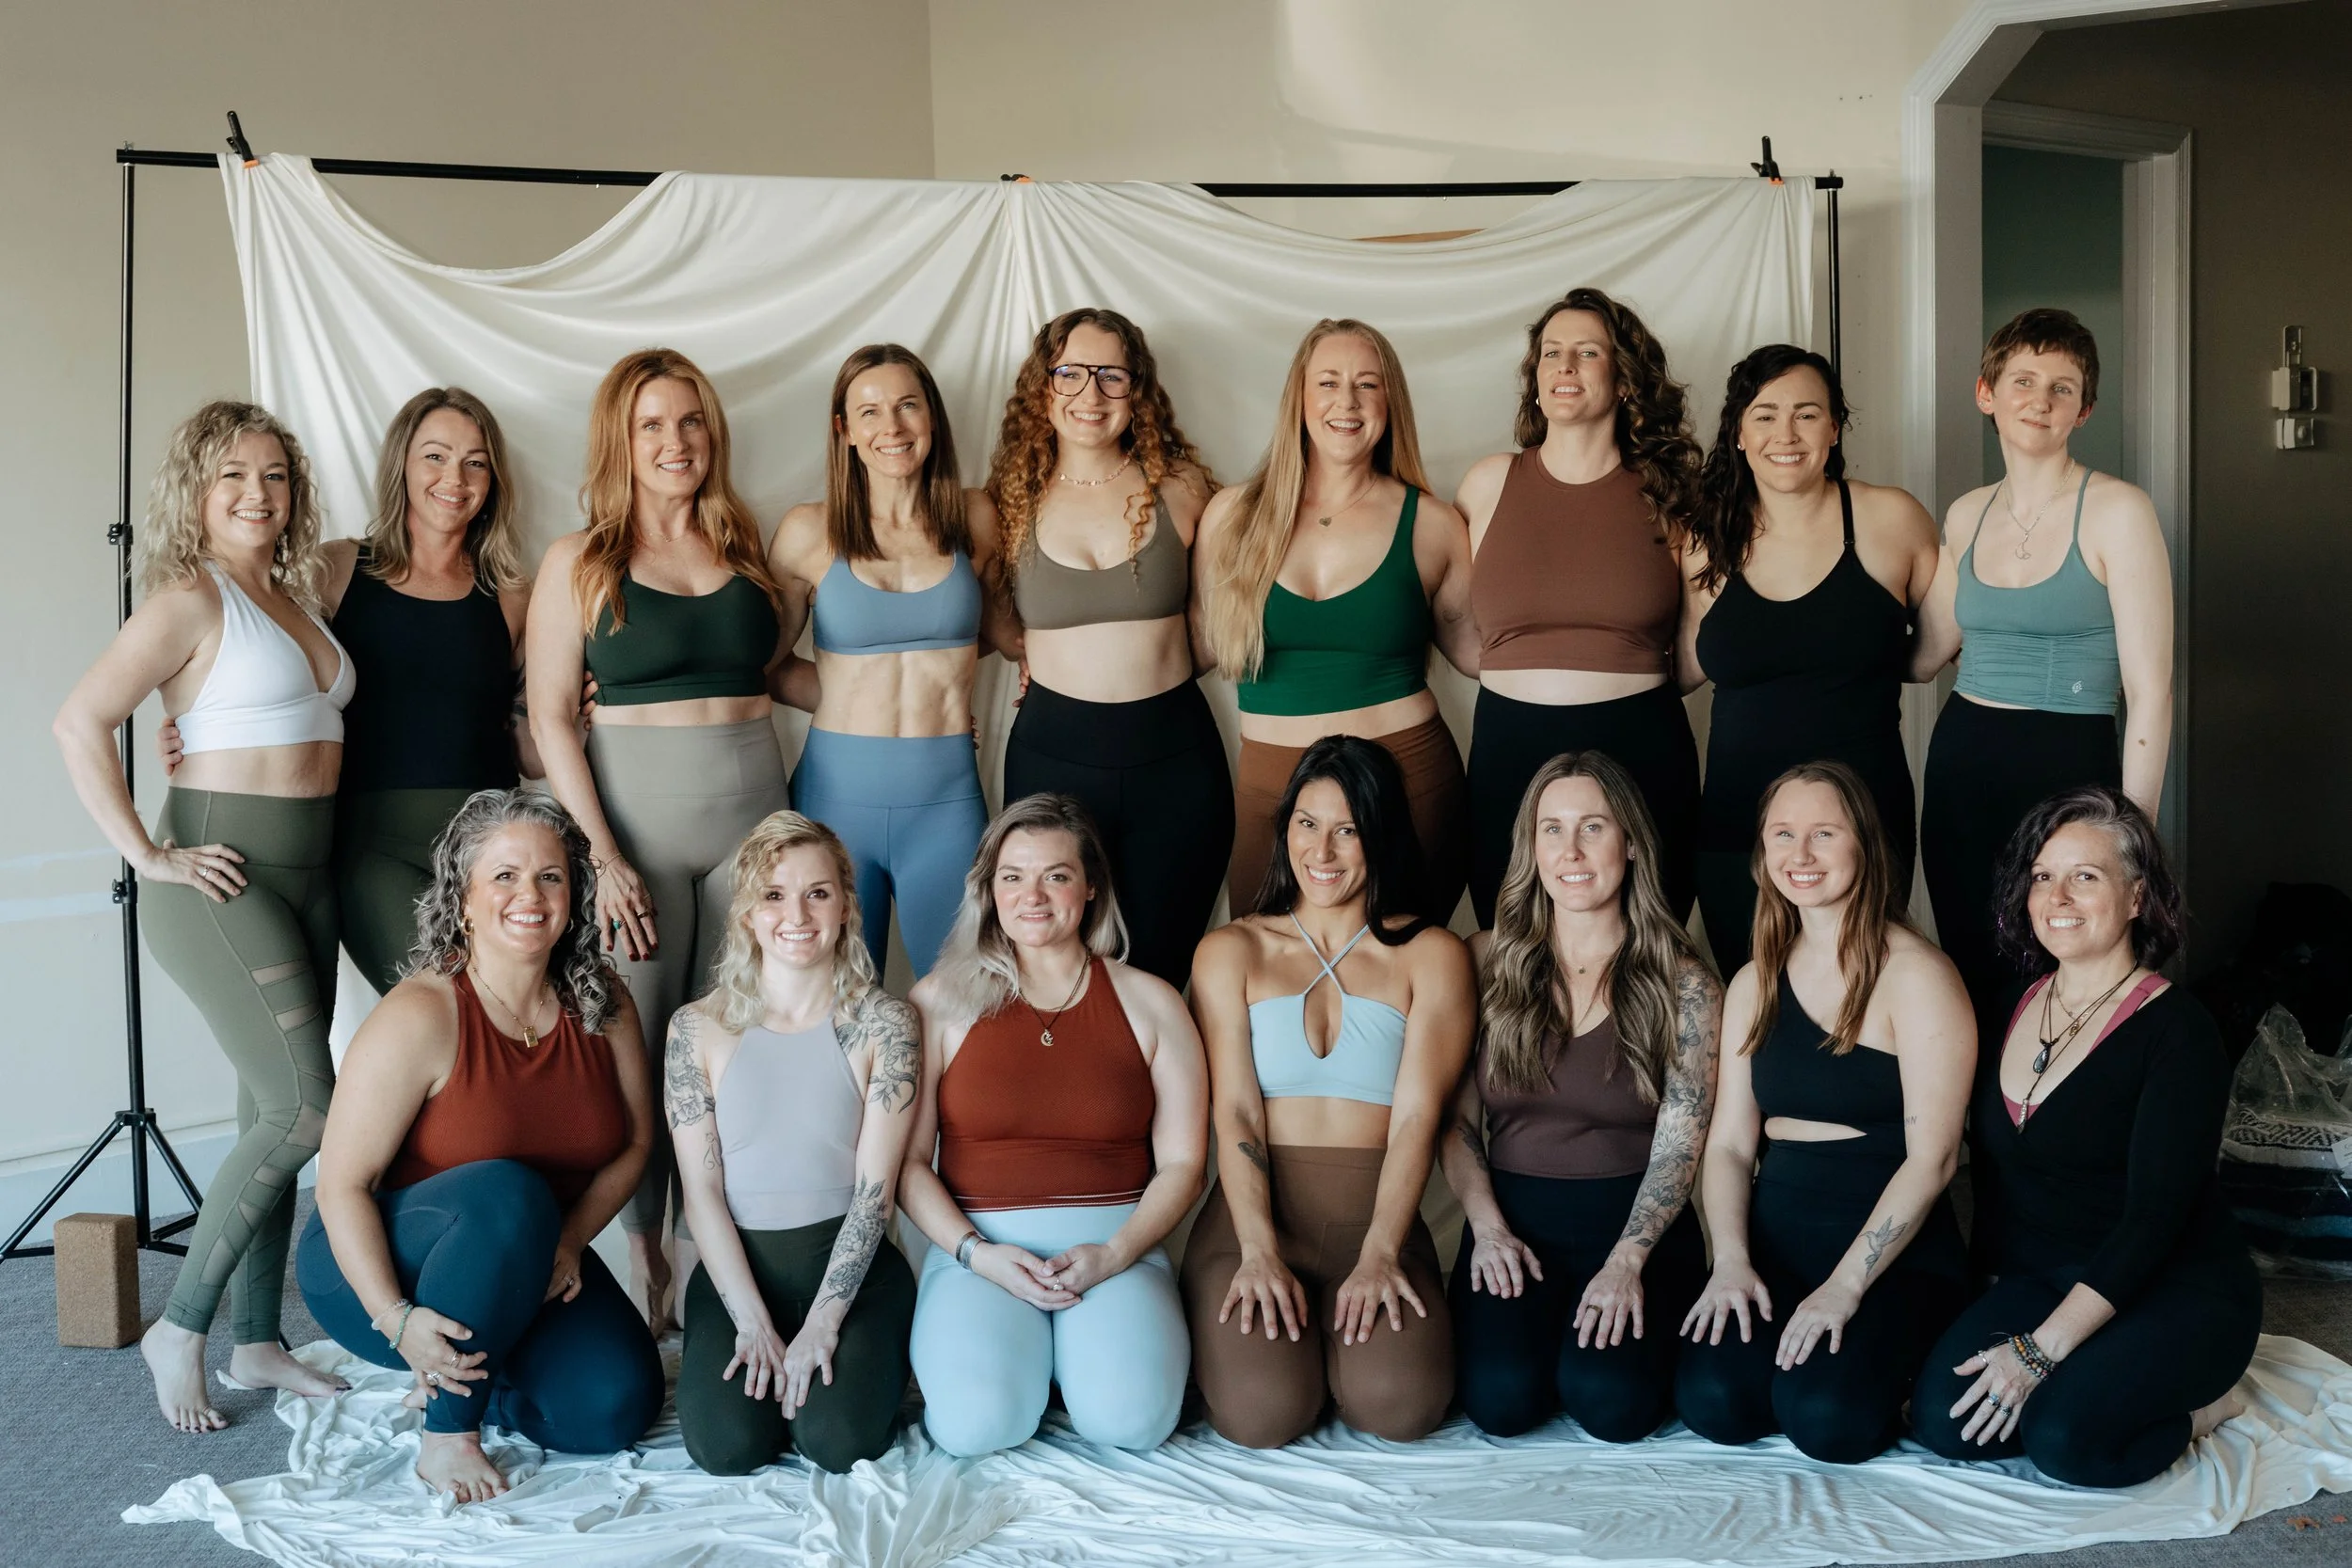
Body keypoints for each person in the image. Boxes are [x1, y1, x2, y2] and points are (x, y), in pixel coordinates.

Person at [55, 401, 354, 1432]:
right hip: (224, 875)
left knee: (261, 1107)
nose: (257, 494)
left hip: (312, 869)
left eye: (275, 475)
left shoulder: (308, 589)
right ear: (196, 487)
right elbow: (79, 718)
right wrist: (146, 850)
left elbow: (389, 548)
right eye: (233, 475)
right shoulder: (188, 598)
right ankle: (179, 1325)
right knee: (304, 1102)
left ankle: (258, 1339)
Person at [297, 789, 663, 1502]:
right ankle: (447, 1431)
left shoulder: (602, 999)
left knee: (614, 1408)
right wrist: (395, 1318)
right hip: (377, 1268)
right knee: (507, 1186)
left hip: (528, 1255)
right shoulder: (423, 1012)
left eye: (551, 876)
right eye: (504, 875)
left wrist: (570, 1239)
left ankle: (478, 1379)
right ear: (462, 897)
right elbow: (340, 1185)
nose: (530, 894)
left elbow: (636, 1141)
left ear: (573, 894)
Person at [528, 347, 791, 1332]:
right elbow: (554, 716)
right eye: (651, 426)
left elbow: (785, 672)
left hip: (753, 828)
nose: (674, 441)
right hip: (633, 833)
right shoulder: (580, 560)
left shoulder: (746, 543)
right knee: (637, 1056)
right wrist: (600, 852)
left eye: (689, 422)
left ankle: (714, 1246)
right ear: (620, 443)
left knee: (739, 1049)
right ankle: (646, 1257)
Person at [1913, 786, 2256, 1486]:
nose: (2057, 895)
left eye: (2086, 875)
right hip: (2049, 1277)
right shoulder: (2012, 1004)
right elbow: (2002, 1185)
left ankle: (2208, 1406)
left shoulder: (2178, 1031)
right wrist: (1983, 1304)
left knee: (2066, 1442)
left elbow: (2155, 1219)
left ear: (2137, 898)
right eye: (2043, 875)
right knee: (1943, 1420)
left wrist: (2037, 1353)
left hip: (2174, 1284)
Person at [159, 388, 537, 994]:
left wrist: (582, 715)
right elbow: (261, 661)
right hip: (371, 845)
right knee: (447, 1011)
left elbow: (528, 751)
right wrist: (190, 720)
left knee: (503, 1022)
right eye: (434, 457)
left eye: (475, 462)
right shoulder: (336, 570)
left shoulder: (515, 596)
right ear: (401, 468)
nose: (455, 478)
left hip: (490, 847)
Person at [1676, 762, 1974, 1464]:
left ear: (1864, 844)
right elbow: (1726, 1149)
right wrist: (1730, 1260)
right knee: (1716, 1403)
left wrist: (1845, 1286)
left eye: (1822, 833)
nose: (1799, 855)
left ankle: (1906, 1357)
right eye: (1782, 834)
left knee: (1827, 1420)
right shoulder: (1753, 981)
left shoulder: (1919, 975)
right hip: (1777, 1236)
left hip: (1888, 1249)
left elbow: (1934, 1158)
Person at [1182, 736, 1474, 1447]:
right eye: (1307, 823)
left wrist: (1380, 1250)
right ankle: (1278, 1344)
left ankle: (1346, 1342)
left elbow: (1416, 1118)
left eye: (1349, 829)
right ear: (1285, 830)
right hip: (1252, 1226)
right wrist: (1257, 1249)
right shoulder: (1233, 949)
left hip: (1378, 1226)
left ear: (1382, 835)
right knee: (1263, 1414)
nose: (1325, 850)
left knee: (1400, 1407)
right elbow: (1237, 1110)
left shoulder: (1432, 956)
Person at [899, 795, 1208, 1455]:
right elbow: (908, 1164)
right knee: (975, 1426)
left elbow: (1185, 1163)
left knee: (1133, 1422)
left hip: (1115, 1253)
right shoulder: (936, 1002)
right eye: (1012, 876)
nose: (1032, 895)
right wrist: (975, 1253)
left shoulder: (1152, 1001)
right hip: (980, 1254)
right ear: (988, 889)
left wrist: (1117, 1254)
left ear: (1090, 886)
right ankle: (1026, 1359)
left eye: (1056, 875)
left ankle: (1076, 1358)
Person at [1442, 751, 1722, 1441]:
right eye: (1552, 828)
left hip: (1635, 1227)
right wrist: (1486, 1227)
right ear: (1530, 846)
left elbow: (1681, 1147)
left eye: (1593, 827)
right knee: (1502, 1402)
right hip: (1513, 1230)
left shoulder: (1685, 983)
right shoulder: (1486, 961)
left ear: (1629, 842)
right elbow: (1456, 1120)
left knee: (1612, 1404)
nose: (1571, 850)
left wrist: (1628, 1260)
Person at [1914, 309, 2173, 1020]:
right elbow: (1926, 654)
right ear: (1986, 393)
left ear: (2083, 409)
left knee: (2063, 964)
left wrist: (2132, 837)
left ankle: (2052, 1122)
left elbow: (2150, 693)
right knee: (1969, 960)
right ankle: (1979, 1125)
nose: (2040, 399)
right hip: (1964, 761)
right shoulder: (1965, 513)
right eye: (2023, 380)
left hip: (2069, 763)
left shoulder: (2119, 510)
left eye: (2063, 388)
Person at [665, 812, 921, 1474]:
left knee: (836, 1441)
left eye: (818, 891)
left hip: (853, 1276)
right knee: (726, 1447)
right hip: (738, 1276)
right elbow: (703, 1191)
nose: (797, 914)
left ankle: (858, 1367)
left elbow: (876, 1195)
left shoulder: (885, 1023)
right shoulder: (695, 1028)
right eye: (774, 895)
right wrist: (752, 1321)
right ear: (747, 912)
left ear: (845, 906)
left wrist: (823, 1324)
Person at [1199, 319, 1478, 924]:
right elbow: (1194, 641)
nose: (1345, 402)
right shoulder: (1231, 517)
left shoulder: (1432, 523)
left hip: (1408, 781)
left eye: (1366, 385)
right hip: (1270, 786)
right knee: (1266, 981)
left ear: (1390, 403)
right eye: (1327, 382)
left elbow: (1484, 653)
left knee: (1400, 981)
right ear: (1298, 399)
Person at [992, 308, 1228, 988]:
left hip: (1174, 762)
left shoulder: (1182, 490)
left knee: (1160, 972)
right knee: (1055, 969)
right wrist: (1026, 647)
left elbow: (1211, 631)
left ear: (1139, 390)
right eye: (1070, 373)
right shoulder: (1008, 500)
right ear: (1043, 387)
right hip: (1052, 756)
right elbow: (981, 616)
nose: (1090, 395)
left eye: (1111, 376)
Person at [1685, 348, 1938, 973]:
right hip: (1735, 828)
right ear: (1739, 434)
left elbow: (1937, 652)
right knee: (1754, 1001)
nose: (1786, 434)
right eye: (1765, 416)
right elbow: (1682, 666)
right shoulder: (1703, 537)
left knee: (1862, 996)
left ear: (1834, 427)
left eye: (1806, 414)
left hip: (1863, 819)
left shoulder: (1891, 518)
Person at [1456, 288, 1705, 927]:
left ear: (1623, 379)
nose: (1564, 366)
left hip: (1639, 743)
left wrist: (1618, 677)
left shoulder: (1670, 494)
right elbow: (1454, 620)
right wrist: (1521, 674)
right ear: (1535, 380)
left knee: (1644, 944)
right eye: (1551, 353)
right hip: (1510, 743)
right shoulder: (1489, 483)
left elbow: (1699, 639)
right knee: (1513, 942)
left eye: (1586, 352)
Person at [767, 343, 1009, 975]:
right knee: (834, 1001)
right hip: (835, 798)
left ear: (932, 417)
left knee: (962, 998)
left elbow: (996, 630)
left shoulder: (977, 518)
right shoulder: (807, 532)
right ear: (844, 431)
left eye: (907, 405)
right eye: (869, 412)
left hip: (947, 799)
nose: (892, 427)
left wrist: (1036, 661)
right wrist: (852, 697)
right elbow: (759, 665)